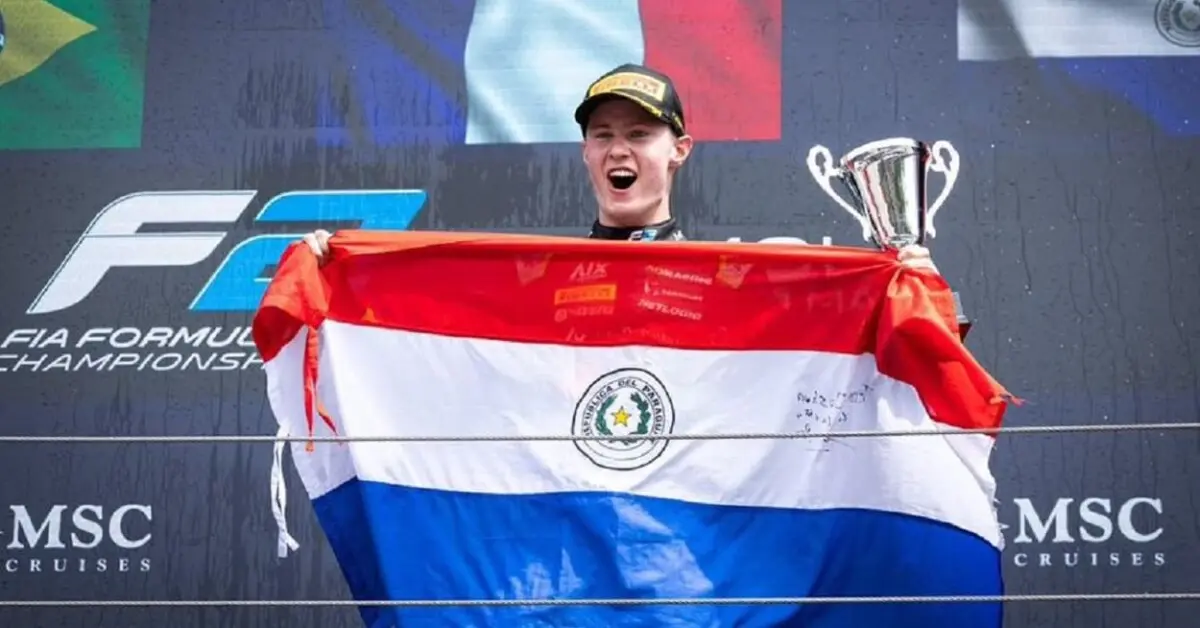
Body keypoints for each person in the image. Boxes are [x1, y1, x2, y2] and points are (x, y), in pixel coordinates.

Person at [300, 63, 937, 272]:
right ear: (585, 153)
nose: (618, 149)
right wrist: (344, 268)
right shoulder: (539, 280)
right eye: (602, 135)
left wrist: (898, 280)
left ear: (680, 150)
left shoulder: (735, 274)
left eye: (639, 134)